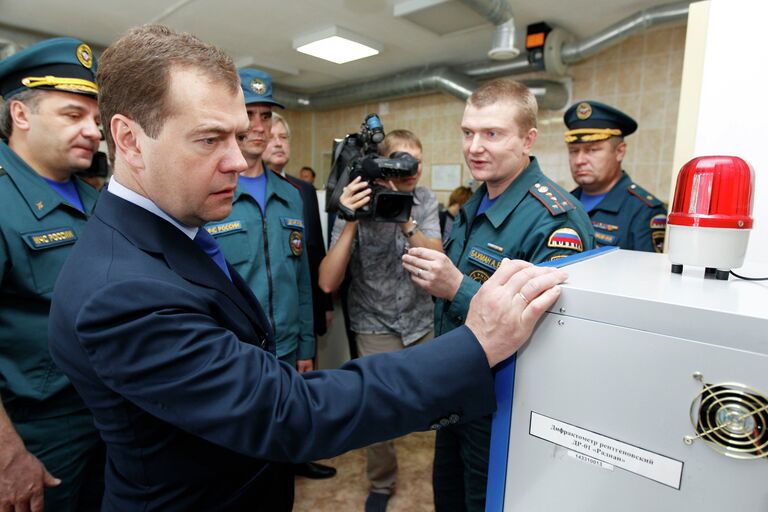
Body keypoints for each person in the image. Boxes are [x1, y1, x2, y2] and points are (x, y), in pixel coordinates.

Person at [47, 25, 568, 511]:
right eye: (210, 139)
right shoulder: (120, 290)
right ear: (130, 139)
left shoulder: (173, 227)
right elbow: (288, 413)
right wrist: (477, 343)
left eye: (237, 135)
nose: (236, 160)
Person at [402, 78, 595, 512]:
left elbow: (550, 327)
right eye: (468, 132)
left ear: (528, 139)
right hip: (457, 391)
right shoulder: (476, 203)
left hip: (504, 405)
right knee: (448, 496)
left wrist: (456, 286)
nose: (474, 147)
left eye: (492, 133)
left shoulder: (554, 218)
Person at [0, 37, 105, 512]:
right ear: (21, 115)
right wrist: (7, 456)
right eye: (72, 115)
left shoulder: (99, 202)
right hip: (36, 432)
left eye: (96, 120)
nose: (93, 132)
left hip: (108, 418)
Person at [319, 129, 442, 511]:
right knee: (377, 412)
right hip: (373, 323)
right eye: (401, 162)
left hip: (420, 320)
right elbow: (327, 280)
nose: (411, 172)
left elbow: (438, 259)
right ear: (381, 164)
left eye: (417, 164)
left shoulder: (423, 200)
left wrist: (404, 218)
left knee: (441, 404)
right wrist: (351, 218)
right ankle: (381, 482)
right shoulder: (356, 199)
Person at [263, 110, 337, 480]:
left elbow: (313, 253)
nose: (277, 142)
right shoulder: (233, 190)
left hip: (297, 314)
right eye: (271, 135)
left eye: (284, 137)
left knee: (299, 392)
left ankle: (298, 456)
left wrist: (322, 307)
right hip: (262, 324)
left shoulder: (301, 190)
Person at [564, 100, 667, 252]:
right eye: (574, 151)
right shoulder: (563, 203)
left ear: (620, 152)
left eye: (592, 150)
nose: (579, 160)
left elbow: (645, 273)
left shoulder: (644, 211)